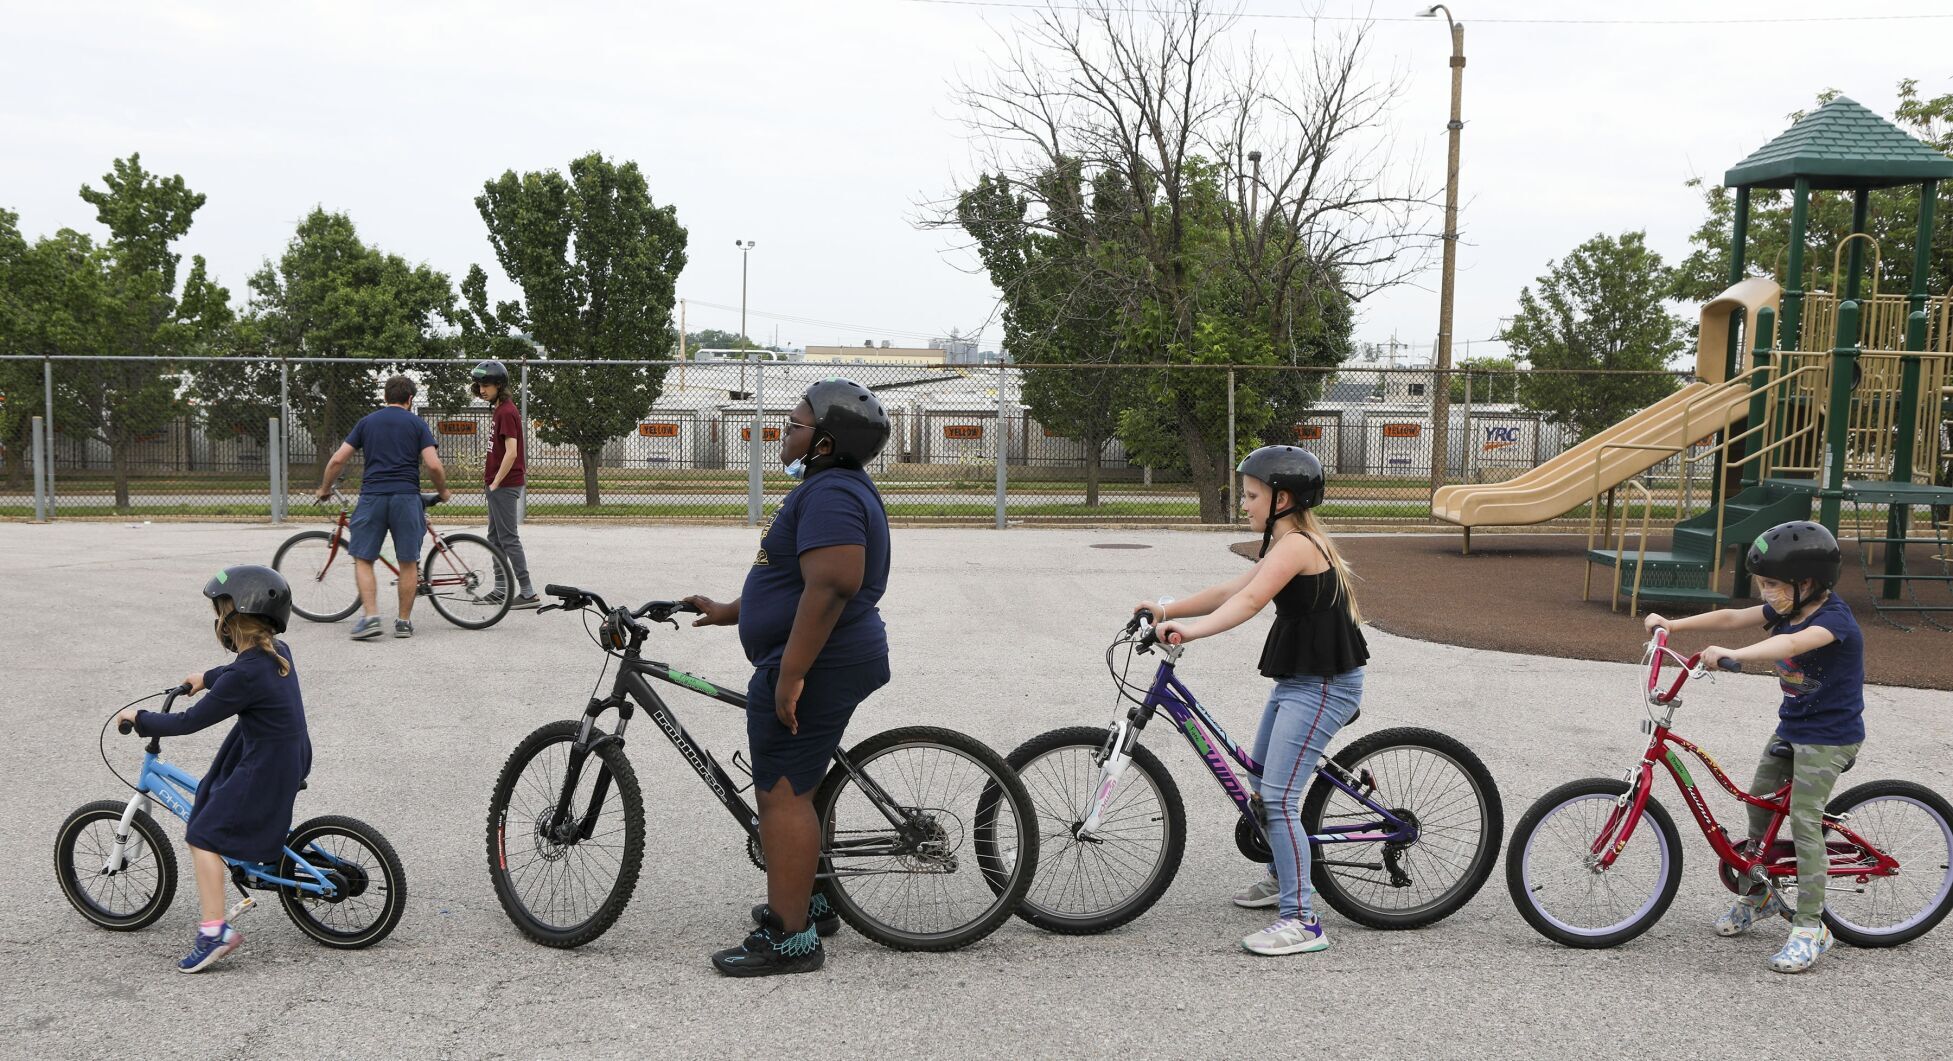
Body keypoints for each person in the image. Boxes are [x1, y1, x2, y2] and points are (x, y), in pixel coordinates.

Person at [683, 379, 892, 977]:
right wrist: (729, 610)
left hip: (821, 661)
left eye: (796, 422)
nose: (784, 429)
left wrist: (791, 674)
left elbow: (831, 586)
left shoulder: (830, 495)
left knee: (782, 794)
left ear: (824, 442)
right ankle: (811, 896)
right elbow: (794, 583)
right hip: (825, 656)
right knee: (801, 783)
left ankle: (791, 938)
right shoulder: (825, 487)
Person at [1140, 445, 1368, 956]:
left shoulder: (1297, 546)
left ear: (1282, 499)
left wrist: (1189, 633)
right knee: (1262, 779)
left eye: (1251, 495)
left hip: (1325, 686)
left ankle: (1302, 920)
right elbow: (1232, 587)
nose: (1244, 504)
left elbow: (1247, 603)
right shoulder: (1284, 544)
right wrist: (1167, 607)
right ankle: (1279, 870)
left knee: (1282, 797)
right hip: (1300, 681)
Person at [1643, 520, 1863, 974]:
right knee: (1759, 804)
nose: (1766, 593)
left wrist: (1736, 655)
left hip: (1830, 737)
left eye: (1771, 584)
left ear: (1806, 584)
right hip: (1792, 728)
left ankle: (1810, 927)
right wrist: (1673, 623)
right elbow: (1731, 617)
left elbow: (1792, 643)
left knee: (1804, 821)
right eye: (1763, 584)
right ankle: (1760, 890)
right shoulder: (1785, 607)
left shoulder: (1832, 621)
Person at [115, 566, 311, 973]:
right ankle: (258, 852)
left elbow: (189, 722)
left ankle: (214, 931)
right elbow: (238, 673)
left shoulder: (244, 675)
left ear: (232, 617)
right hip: (286, 755)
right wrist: (206, 677)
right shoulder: (276, 653)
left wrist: (141, 717)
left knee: (203, 835)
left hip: (265, 766)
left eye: (219, 610)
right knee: (217, 795)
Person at [315, 374, 450, 640]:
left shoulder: (367, 423)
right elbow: (433, 464)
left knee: (364, 559)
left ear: (385, 397)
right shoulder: (417, 424)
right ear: (410, 399)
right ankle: (403, 622)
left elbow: (337, 460)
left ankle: (371, 618)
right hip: (406, 498)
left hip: (373, 498)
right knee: (408, 562)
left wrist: (325, 488)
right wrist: (443, 491)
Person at [471, 360, 538, 609]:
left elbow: (512, 452)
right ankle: (500, 590)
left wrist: (497, 482)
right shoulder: (498, 410)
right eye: (479, 385)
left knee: (508, 538)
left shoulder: (507, 411)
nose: (481, 390)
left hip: (504, 485)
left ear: (500, 385)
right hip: (497, 484)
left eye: (486, 385)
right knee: (494, 537)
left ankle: (528, 592)